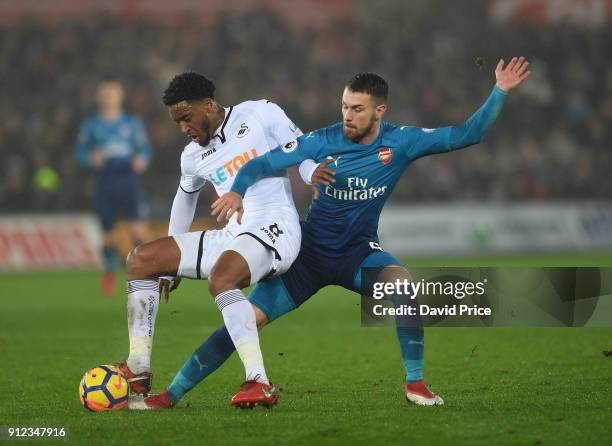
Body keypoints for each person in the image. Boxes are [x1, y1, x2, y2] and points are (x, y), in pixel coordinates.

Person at [133, 57, 531, 409]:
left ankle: (416, 383)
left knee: (404, 286)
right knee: (243, 320)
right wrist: (236, 190)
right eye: (344, 106)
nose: (347, 115)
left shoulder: (402, 141)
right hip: (307, 255)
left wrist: (499, 91)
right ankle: (172, 394)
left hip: (357, 253)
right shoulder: (322, 140)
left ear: (379, 111)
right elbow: (262, 163)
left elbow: (467, 134)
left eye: (357, 109)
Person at [121, 72, 304, 408]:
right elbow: (185, 198)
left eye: (186, 118)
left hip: (276, 228)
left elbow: (303, 148)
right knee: (141, 260)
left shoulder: (260, 114)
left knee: (222, 277)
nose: (183, 129)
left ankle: (258, 381)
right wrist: (171, 264)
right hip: (234, 234)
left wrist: (313, 175)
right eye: (177, 123)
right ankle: (138, 368)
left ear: (207, 105)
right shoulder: (192, 156)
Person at [75, 81, 151, 295]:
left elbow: (144, 149)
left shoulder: (131, 123)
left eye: (113, 95)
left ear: (120, 98)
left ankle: (150, 269)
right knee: (108, 234)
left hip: (127, 179)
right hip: (104, 181)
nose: (109, 99)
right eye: (106, 95)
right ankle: (109, 273)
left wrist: (142, 160)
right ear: (100, 99)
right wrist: (90, 159)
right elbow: (80, 154)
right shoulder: (92, 125)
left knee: (138, 228)